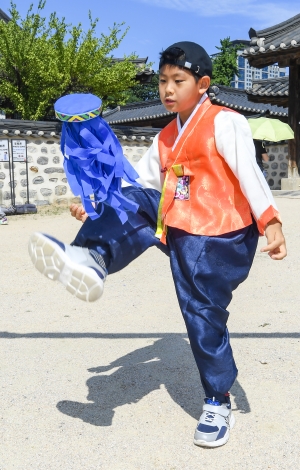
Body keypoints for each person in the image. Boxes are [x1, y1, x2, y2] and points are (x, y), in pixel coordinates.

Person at [28, 41, 286, 449]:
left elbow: (249, 171)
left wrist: (270, 220)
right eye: (163, 80)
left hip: (220, 236)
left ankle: (218, 400)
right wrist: (96, 210)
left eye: (177, 81)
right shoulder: (167, 136)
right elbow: (139, 185)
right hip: (181, 228)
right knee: (129, 200)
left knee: (202, 317)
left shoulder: (225, 121)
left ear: (202, 84)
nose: (167, 89)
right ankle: (92, 256)